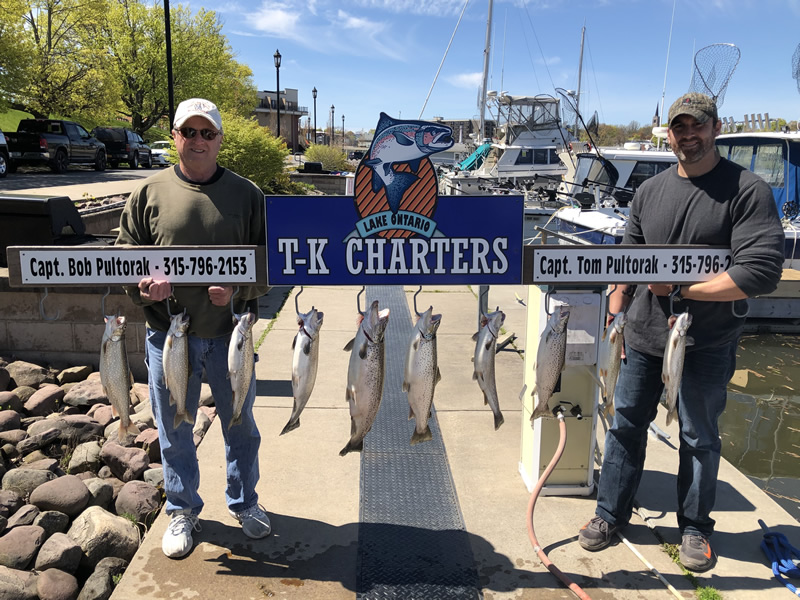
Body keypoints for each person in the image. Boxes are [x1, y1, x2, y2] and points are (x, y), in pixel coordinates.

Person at [578, 92, 784, 572]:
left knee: (699, 435)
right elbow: (627, 256)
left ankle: (695, 526)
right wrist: (616, 313)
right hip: (643, 337)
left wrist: (686, 291)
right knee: (625, 424)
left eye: (698, 126)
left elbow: (761, 270)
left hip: (705, 343)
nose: (688, 136)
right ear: (668, 134)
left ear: (715, 128)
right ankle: (610, 513)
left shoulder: (747, 189)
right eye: (679, 128)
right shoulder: (650, 191)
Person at [116, 98, 271, 558]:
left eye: (208, 133)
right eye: (190, 132)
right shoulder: (147, 193)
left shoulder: (248, 195)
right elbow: (122, 254)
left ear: (220, 139)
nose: (198, 140)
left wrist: (239, 291)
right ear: (176, 138)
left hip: (231, 338)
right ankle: (182, 510)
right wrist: (144, 286)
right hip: (169, 337)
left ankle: (245, 503)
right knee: (174, 429)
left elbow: (266, 265)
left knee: (240, 425)